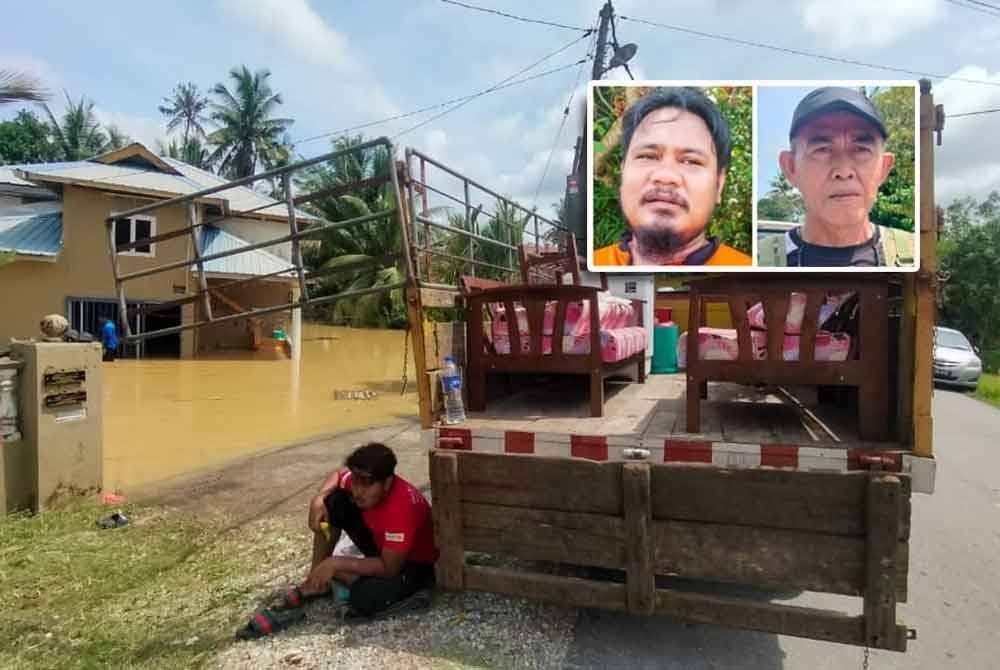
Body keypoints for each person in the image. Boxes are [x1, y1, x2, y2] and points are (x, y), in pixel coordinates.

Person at [237, 443, 437, 639]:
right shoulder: (361, 484)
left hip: (410, 564)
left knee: (365, 598)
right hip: (382, 546)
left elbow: (389, 568)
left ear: (386, 483)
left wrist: (336, 563)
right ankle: (316, 582)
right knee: (333, 502)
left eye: (366, 484)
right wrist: (319, 498)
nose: (358, 491)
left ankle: (338, 575)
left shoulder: (401, 508)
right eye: (356, 482)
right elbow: (339, 475)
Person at [592, 87, 752, 267]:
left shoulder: (745, 269)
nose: (665, 176)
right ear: (623, 173)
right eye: (648, 156)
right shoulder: (593, 265)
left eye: (691, 161)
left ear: (719, 185)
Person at [758, 86, 915, 267]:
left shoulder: (920, 256)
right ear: (791, 167)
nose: (844, 171)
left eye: (861, 149)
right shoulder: (755, 263)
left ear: (884, 168)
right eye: (822, 150)